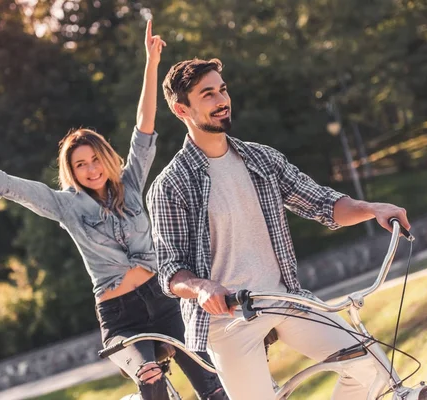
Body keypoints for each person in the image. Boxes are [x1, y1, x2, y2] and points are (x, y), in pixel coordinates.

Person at [0, 22, 226, 400]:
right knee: (149, 375)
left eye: (95, 160)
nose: (91, 169)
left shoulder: (131, 182)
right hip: (121, 317)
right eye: (80, 165)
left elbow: (144, 127)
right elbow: (7, 185)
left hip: (163, 303)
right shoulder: (66, 206)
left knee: (210, 381)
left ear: (106, 159)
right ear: (71, 172)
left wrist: (151, 61)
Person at [146, 57, 412, 400]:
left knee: (371, 366)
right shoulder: (171, 185)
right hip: (227, 321)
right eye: (208, 94)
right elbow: (170, 271)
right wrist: (201, 288)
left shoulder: (261, 159)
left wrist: (372, 209)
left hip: (284, 299)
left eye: (222, 90)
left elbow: (322, 203)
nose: (222, 101)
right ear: (182, 110)